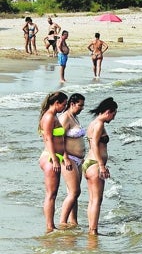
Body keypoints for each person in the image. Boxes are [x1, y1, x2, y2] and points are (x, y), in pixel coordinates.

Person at [83, 97, 117, 235]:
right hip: (95, 165)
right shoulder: (99, 125)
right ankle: (93, 231)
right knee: (97, 200)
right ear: (108, 112)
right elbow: (95, 145)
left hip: (89, 164)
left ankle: (91, 228)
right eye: (113, 114)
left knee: (92, 200)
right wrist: (102, 165)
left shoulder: (93, 123)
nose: (113, 118)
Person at [38, 91, 69, 232]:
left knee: (53, 193)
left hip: (54, 157)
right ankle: (49, 226)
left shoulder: (52, 116)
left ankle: (51, 225)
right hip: (51, 158)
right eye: (64, 104)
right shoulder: (49, 117)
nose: (65, 107)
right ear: (56, 103)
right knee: (51, 194)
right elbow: (49, 139)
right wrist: (55, 160)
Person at [58, 93, 86, 227]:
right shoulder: (65, 118)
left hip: (79, 160)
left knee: (74, 193)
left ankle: (73, 221)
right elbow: (58, 139)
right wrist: (65, 158)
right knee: (75, 192)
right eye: (80, 105)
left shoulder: (75, 117)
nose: (82, 108)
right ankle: (63, 222)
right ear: (72, 104)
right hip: (69, 158)